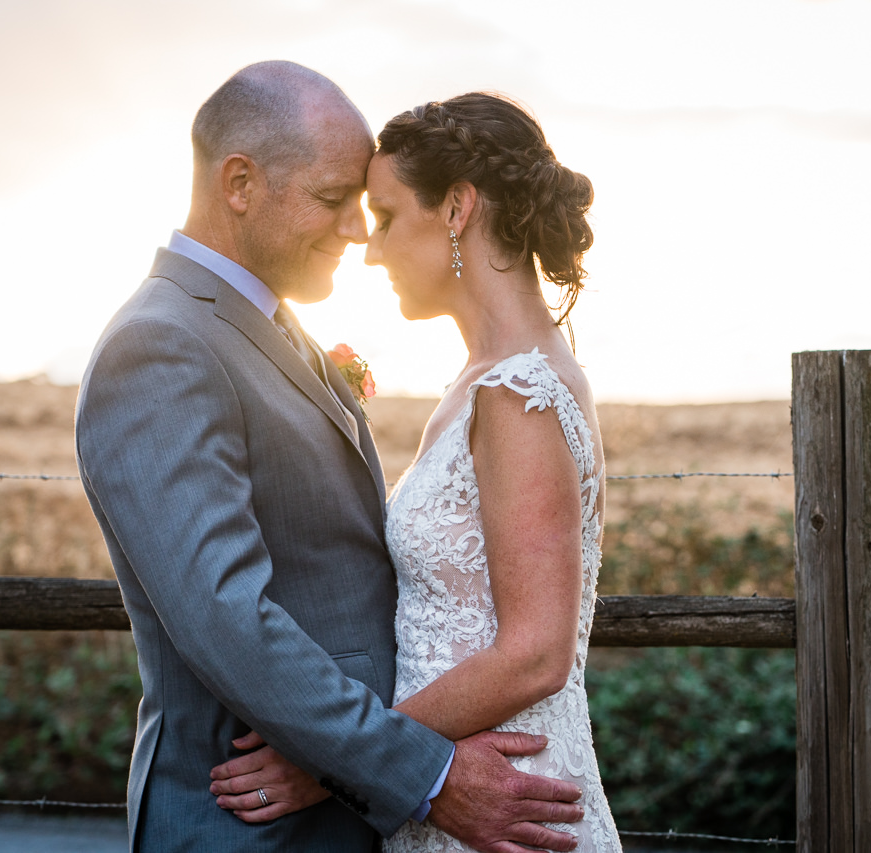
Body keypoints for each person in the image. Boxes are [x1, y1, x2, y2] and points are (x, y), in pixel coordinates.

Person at [74, 63, 583, 853]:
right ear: (239, 182)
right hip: (248, 817)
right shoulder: (163, 343)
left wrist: (370, 766)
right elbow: (223, 614)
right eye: (334, 199)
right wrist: (419, 768)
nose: (356, 231)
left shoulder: (270, 328)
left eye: (371, 208)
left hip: (342, 805)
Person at [209, 93, 621, 852]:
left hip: (507, 803)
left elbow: (536, 651)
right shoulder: (492, 379)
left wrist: (336, 760)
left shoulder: (517, 395)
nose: (370, 246)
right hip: (460, 786)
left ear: (458, 208)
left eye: (389, 216)